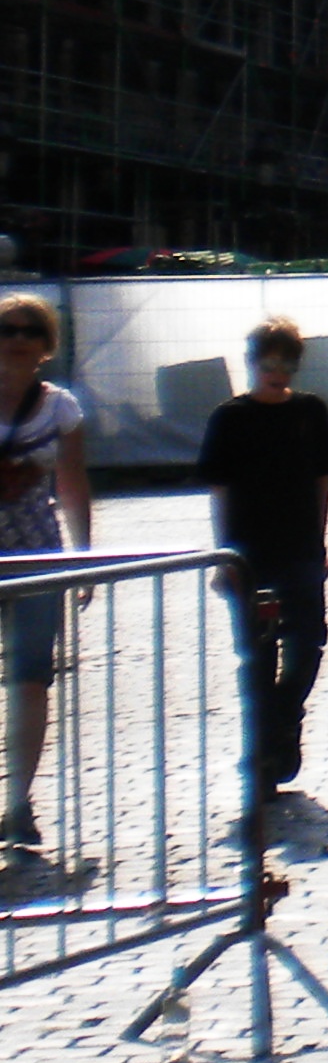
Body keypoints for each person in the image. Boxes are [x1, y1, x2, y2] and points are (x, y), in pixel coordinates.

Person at [197, 316, 328, 800]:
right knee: (257, 658)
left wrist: (321, 543)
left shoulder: (310, 412)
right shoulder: (230, 417)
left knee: (308, 645)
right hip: (249, 553)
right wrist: (223, 557)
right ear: (252, 363)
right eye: (269, 364)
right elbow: (220, 490)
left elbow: (322, 481)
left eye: (287, 365)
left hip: (300, 550)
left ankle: (284, 717)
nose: (278, 373)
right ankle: (260, 760)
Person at [0, 291, 93, 850]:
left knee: (30, 679)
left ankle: (17, 802)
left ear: (46, 344)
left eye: (30, 330)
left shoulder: (61, 407)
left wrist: (83, 558)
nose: (17, 340)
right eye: (7, 329)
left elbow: (73, 483)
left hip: (36, 554)